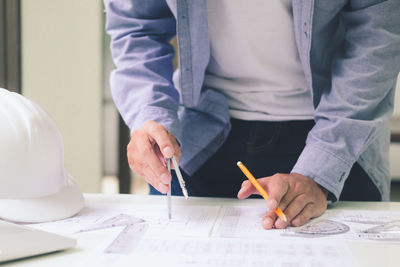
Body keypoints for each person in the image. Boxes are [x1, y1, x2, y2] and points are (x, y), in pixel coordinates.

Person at [104, 0, 400, 229]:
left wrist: (321, 169)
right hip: (199, 136)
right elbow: (136, 26)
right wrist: (149, 113)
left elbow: (379, 34)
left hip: (338, 134)